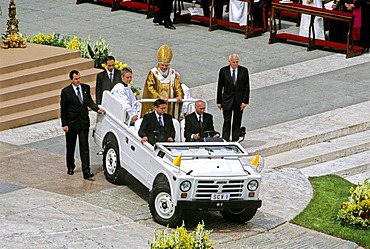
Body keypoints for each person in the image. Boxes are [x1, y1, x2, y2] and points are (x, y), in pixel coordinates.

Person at [60, 70, 105, 180]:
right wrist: (64, 124)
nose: (78, 80)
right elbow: (64, 109)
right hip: (71, 123)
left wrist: (97, 109)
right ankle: (70, 166)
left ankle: (86, 170)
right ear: (71, 80)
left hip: (83, 122)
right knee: (71, 146)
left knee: (84, 147)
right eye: (76, 79)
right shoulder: (66, 91)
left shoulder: (85, 88)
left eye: (79, 78)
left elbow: (89, 102)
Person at [142, 44, 183, 119]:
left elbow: (177, 86)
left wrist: (179, 95)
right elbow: (149, 87)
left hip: (169, 104)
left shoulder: (173, 74)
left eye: (166, 65)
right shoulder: (153, 73)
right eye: (162, 65)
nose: (164, 67)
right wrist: (159, 97)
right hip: (158, 103)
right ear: (159, 63)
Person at [217, 54, 250, 142]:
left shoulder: (244, 71)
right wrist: (219, 101)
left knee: (237, 121)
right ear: (229, 62)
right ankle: (225, 139)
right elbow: (220, 87)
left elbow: (247, 87)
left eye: (237, 62)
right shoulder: (223, 71)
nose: (235, 64)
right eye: (233, 62)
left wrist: (245, 101)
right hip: (227, 100)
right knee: (227, 121)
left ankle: (235, 140)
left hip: (239, 101)